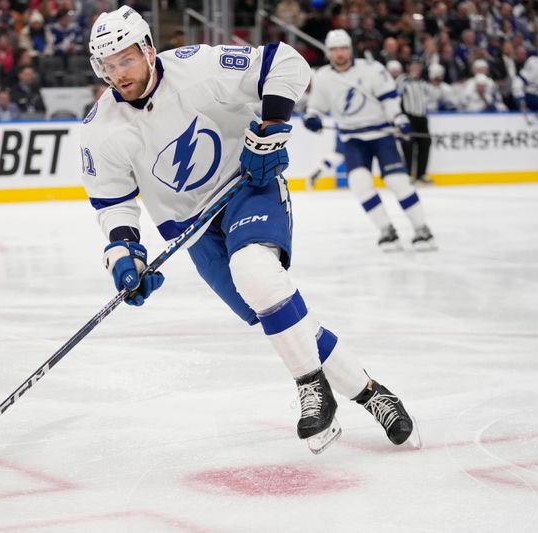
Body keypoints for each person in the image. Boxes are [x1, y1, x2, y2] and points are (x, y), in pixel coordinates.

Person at [80, 7, 420, 455]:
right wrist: (125, 254)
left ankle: (310, 389)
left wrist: (273, 126)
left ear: (147, 49)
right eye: (108, 65)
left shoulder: (196, 66)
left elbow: (286, 63)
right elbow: (114, 202)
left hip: (247, 184)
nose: (118, 73)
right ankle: (371, 393)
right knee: (276, 309)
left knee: (255, 272)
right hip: (191, 228)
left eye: (126, 59)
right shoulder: (99, 130)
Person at [303, 30, 436, 251]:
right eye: (335, 49)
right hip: (352, 139)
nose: (340, 53)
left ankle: (422, 229)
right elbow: (315, 107)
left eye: (343, 48)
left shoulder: (372, 69)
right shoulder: (323, 77)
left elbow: (389, 99)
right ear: (328, 52)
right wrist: (312, 118)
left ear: (350, 49)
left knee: (398, 183)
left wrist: (399, 118)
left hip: (382, 135)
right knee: (360, 184)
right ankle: (387, 231)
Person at [397, 60, 434, 184]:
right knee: (408, 146)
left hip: (422, 118)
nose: (416, 68)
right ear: (408, 67)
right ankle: (407, 174)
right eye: (413, 66)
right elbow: (397, 93)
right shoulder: (403, 80)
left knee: (425, 144)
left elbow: (429, 97)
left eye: (418, 66)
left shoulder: (423, 83)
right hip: (409, 117)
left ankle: (421, 174)